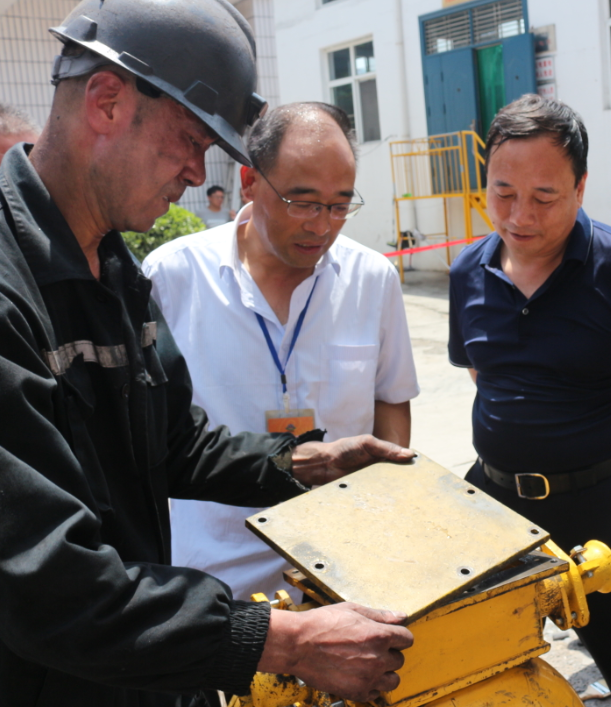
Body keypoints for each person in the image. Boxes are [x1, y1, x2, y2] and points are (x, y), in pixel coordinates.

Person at [0, 1, 414, 705]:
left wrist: (304, 462)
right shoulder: (12, 297)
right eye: (189, 141)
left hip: (150, 666)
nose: (198, 174)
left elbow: (173, 440)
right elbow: (47, 583)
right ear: (106, 101)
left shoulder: (113, 268)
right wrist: (284, 641)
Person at [448, 94, 611, 707]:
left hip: (606, 511)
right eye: (502, 192)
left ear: (581, 188)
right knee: (478, 663)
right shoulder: (467, 274)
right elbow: (483, 374)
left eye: (544, 196)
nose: (519, 214)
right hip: (499, 504)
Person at [143, 102, 419, 603]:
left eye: (339, 206)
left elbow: (391, 399)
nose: (322, 226)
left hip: (342, 574)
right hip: (213, 577)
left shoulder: (372, 280)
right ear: (250, 183)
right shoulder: (172, 278)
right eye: (303, 202)